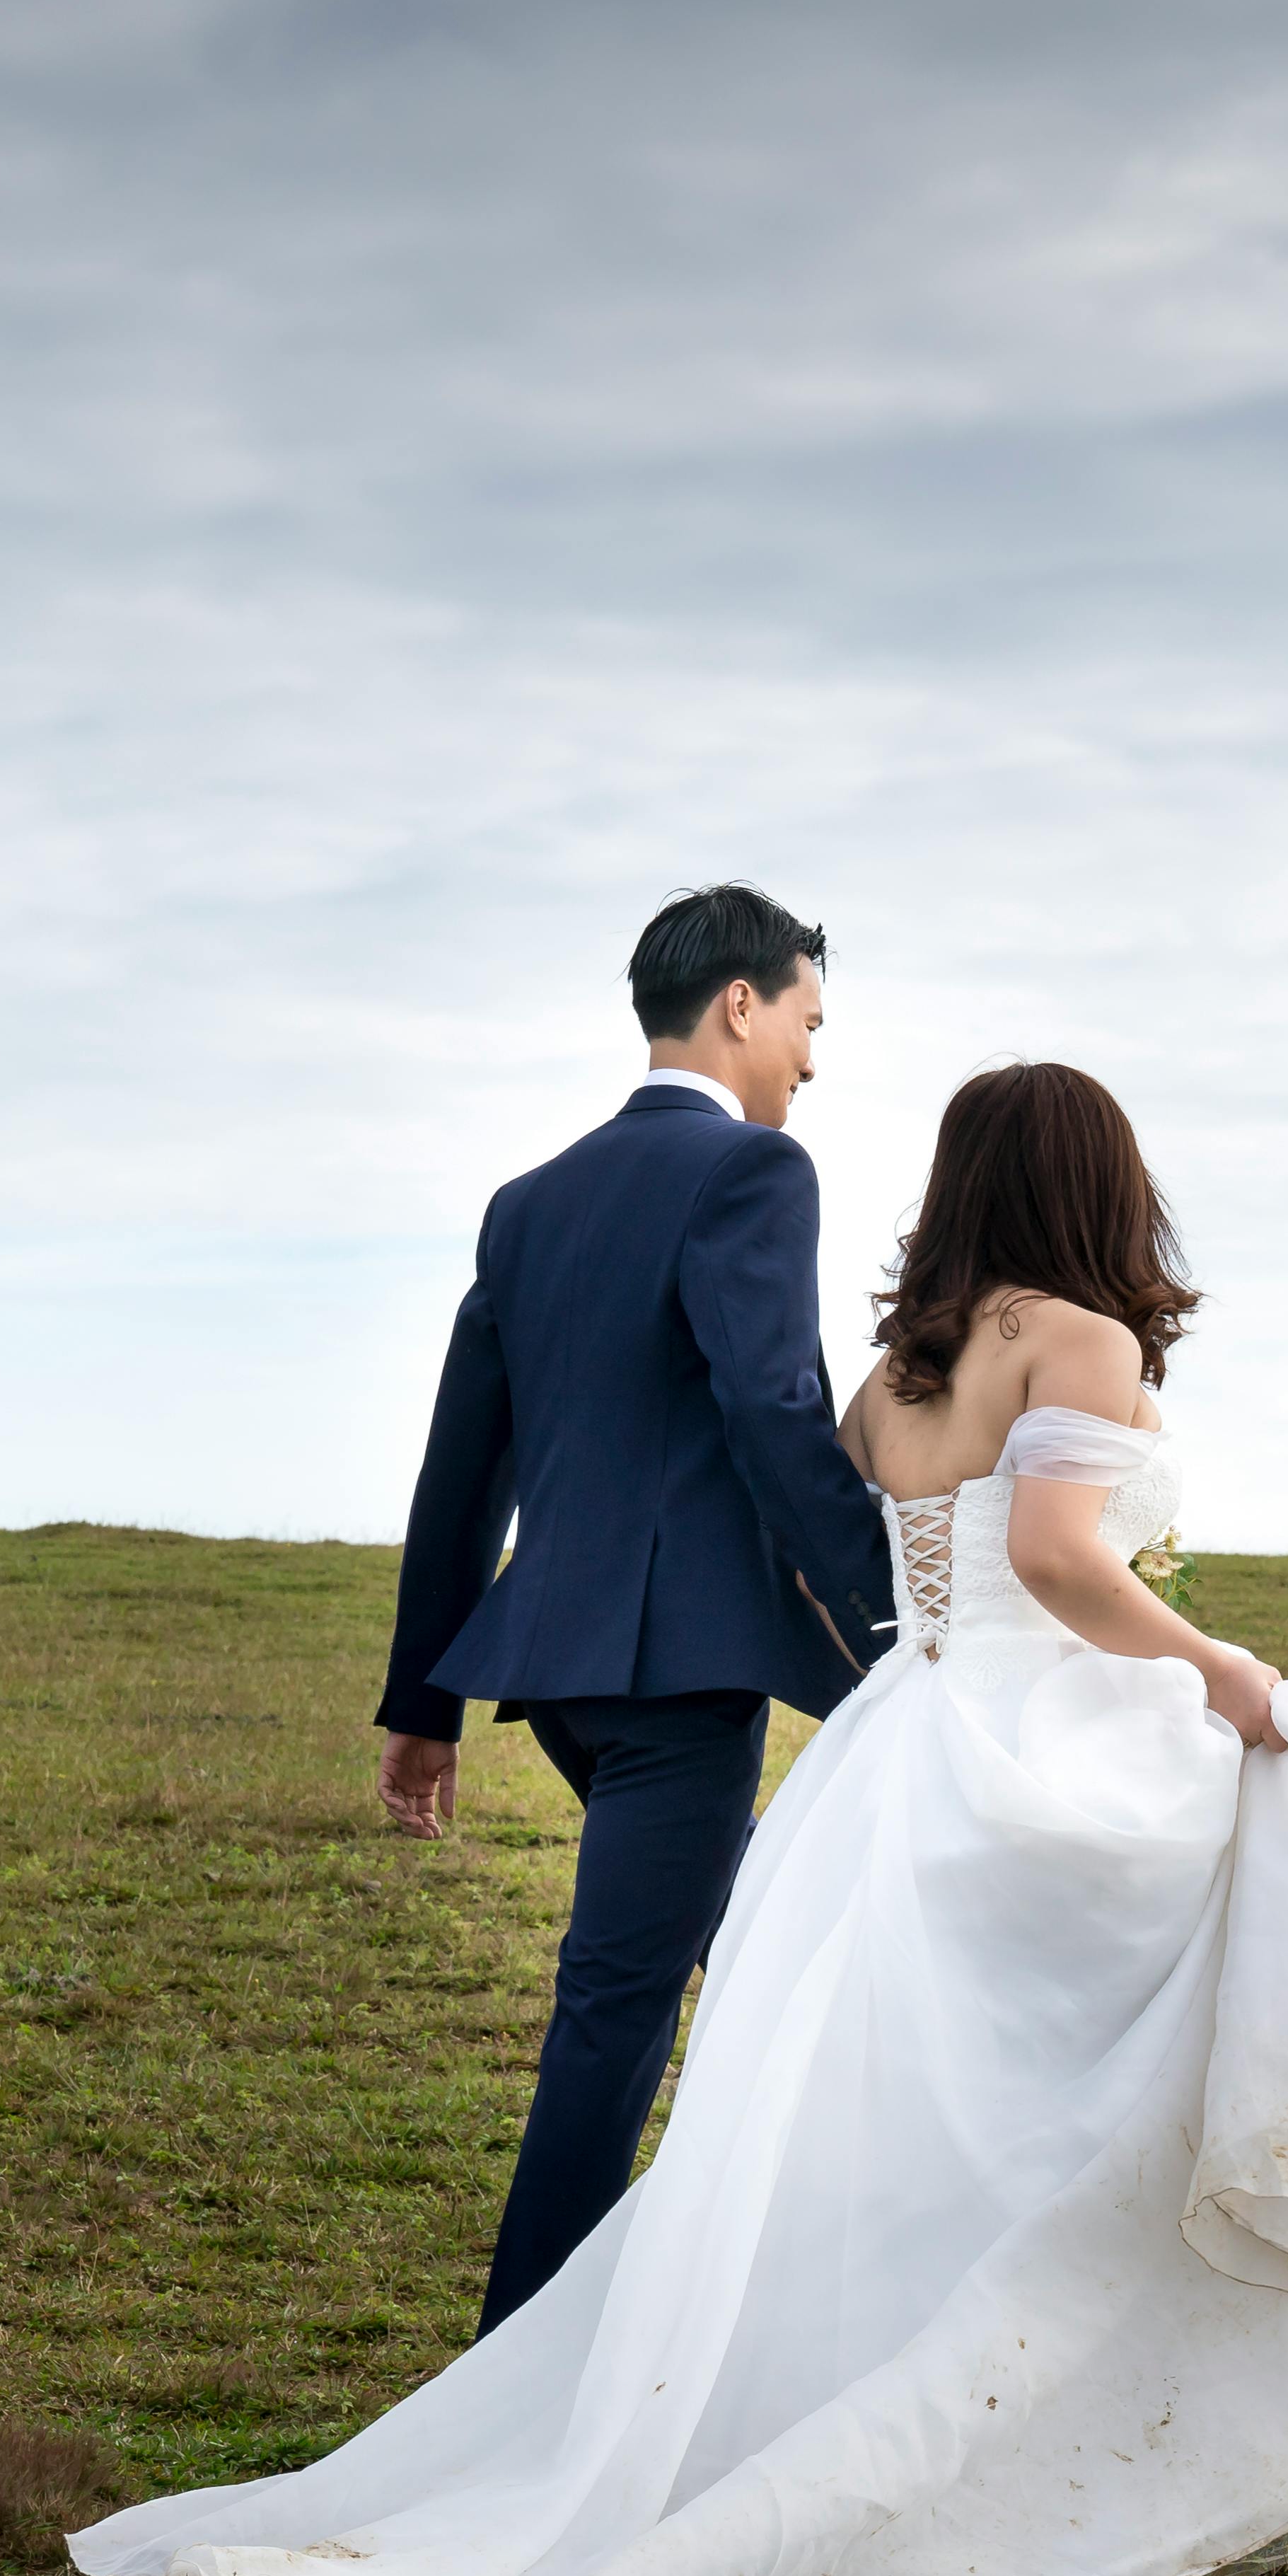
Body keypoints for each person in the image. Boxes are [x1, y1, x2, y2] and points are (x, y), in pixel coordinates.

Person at [72, 1054, 1288, 2576]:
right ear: (1100, 1182)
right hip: (1055, 1728)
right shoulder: (1085, 1339)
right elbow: (1052, 1553)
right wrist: (1216, 1670)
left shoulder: (897, 1378)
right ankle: (1116, 2376)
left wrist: (938, 1670)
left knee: (906, 2104)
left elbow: (847, 1559)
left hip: (906, 1736)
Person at [368, 883, 904, 2330]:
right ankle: (516, 2385)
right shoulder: (754, 1179)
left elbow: (460, 1465)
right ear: (743, 1003)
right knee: (614, 2023)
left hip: (568, 1683)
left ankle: (767, 2318)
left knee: (775, 1986)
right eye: (808, 1017)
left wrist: (425, 1706)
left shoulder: (530, 1202)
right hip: (679, 1683)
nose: (812, 1054)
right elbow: (772, 1413)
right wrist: (901, 1628)